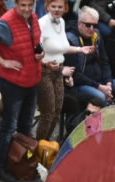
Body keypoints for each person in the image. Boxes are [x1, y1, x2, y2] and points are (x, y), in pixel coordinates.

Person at [0, 0, 43, 182]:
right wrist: (2, 61)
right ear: (15, 4)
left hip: (32, 79)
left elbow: (35, 41)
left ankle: (20, 164)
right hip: (13, 82)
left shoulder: (34, 17)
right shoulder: (6, 21)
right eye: (23, 5)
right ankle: (1, 167)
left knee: (26, 126)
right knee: (8, 126)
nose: (27, 9)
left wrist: (40, 53)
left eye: (30, 5)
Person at [37, 0, 88, 141]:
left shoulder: (62, 22)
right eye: (53, 6)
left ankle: (46, 145)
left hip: (58, 71)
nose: (57, 10)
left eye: (60, 7)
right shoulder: (41, 23)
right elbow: (36, 50)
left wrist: (80, 49)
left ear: (65, 8)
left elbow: (62, 47)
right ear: (47, 6)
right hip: (44, 71)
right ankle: (39, 148)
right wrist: (45, 63)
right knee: (48, 113)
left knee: (57, 111)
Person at [65, 7, 115, 109]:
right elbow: (76, 75)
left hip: (101, 81)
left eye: (95, 25)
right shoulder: (70, 39)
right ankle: (104, 124)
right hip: (80, 84)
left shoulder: (97, 35)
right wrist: (100, 87)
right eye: (88, 25)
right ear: (79, 23)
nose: (91, 28)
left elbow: (105, 62)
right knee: (101, 96)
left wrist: (108, 83)